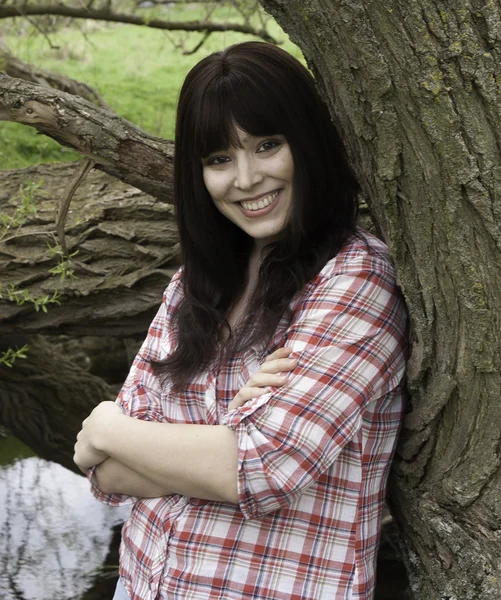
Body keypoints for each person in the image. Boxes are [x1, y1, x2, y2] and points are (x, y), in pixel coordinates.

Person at [74, 41, 408, 600]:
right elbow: (105, 475)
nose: (247, 178)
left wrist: (112, 429)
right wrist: (224, 437)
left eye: (268, 145)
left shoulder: (354, 278)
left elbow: (265, 466)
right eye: (219, 159)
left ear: (309, 141)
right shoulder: (195, 285)